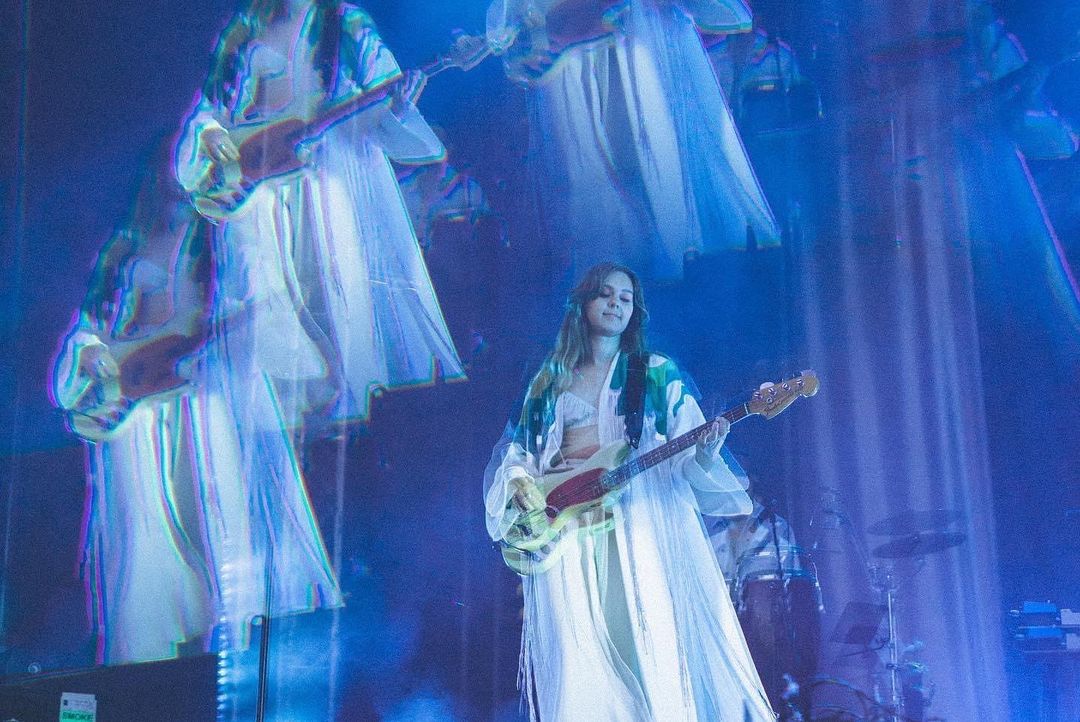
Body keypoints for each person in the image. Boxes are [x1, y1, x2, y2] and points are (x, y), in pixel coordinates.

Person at [52, 136, 341, 663]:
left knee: (212, 519)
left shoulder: (216, 242)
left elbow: (240, 313)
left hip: (198, 404)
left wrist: (210, 340)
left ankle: (224, 648)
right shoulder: (123, 249)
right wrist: (105, 363)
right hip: (139, 413)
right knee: (148, 541)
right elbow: (91, 327)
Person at [484, 262, 774, 720]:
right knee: (582, 659)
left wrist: (705, 450)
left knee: (649, 642)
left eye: (625, 298)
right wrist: (518, 479)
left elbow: (687, 455)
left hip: (639, 528)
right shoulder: (549, 380)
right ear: (582, 303)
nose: (616, 305)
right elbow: (519, 450)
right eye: (605, 294)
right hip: (569, 535)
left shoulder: (655, 373)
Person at [176, 0, 465, 430]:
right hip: (263, 205)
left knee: (337, 302)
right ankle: (308, 427)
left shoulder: (346, 27)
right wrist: (214, 141)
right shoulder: (244, 30)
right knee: (275, 312)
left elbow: (381, 114)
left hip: (331, 191)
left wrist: (396, 107)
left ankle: (358, 423)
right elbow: (208, 114)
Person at [486, 0, 780, 282]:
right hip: (577, 84)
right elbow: (514, 35)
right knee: (602, 207)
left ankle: (675, 274)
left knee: (657, 188)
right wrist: (532, 43)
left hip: (641, 66)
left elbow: (727, 15)